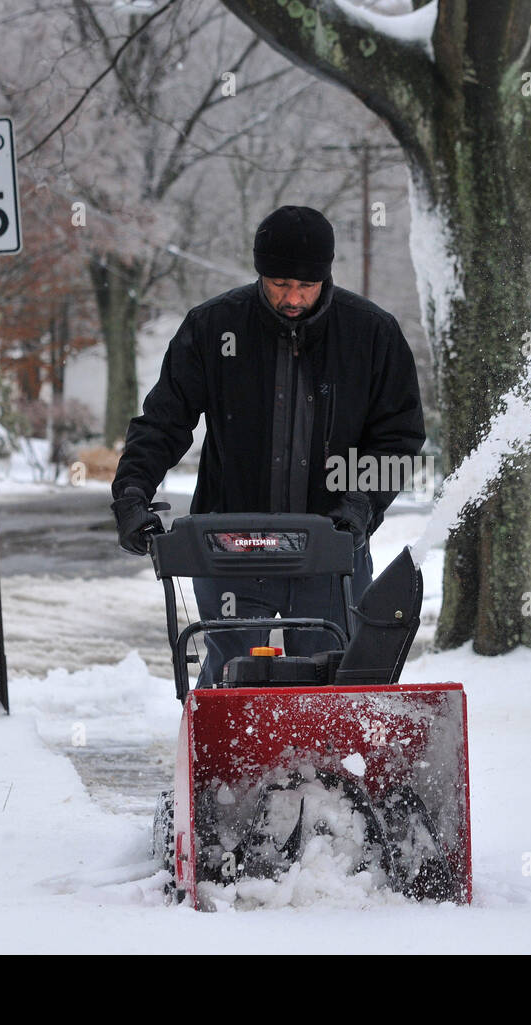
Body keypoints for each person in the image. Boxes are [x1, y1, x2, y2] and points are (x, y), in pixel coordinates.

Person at [111, 204, 425, 685]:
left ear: (327, 276)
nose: (292, 297)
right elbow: (164, 421)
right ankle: (220, 757)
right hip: (230, 546)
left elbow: (397, 438)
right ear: (260, 274)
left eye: (305, 286)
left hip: (331, 548)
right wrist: (132, 494)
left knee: (332, 682)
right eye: (279, 284)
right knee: (233, 678)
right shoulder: (214, 327)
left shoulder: (370, 334)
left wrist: (361, 505)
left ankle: (328, 762)